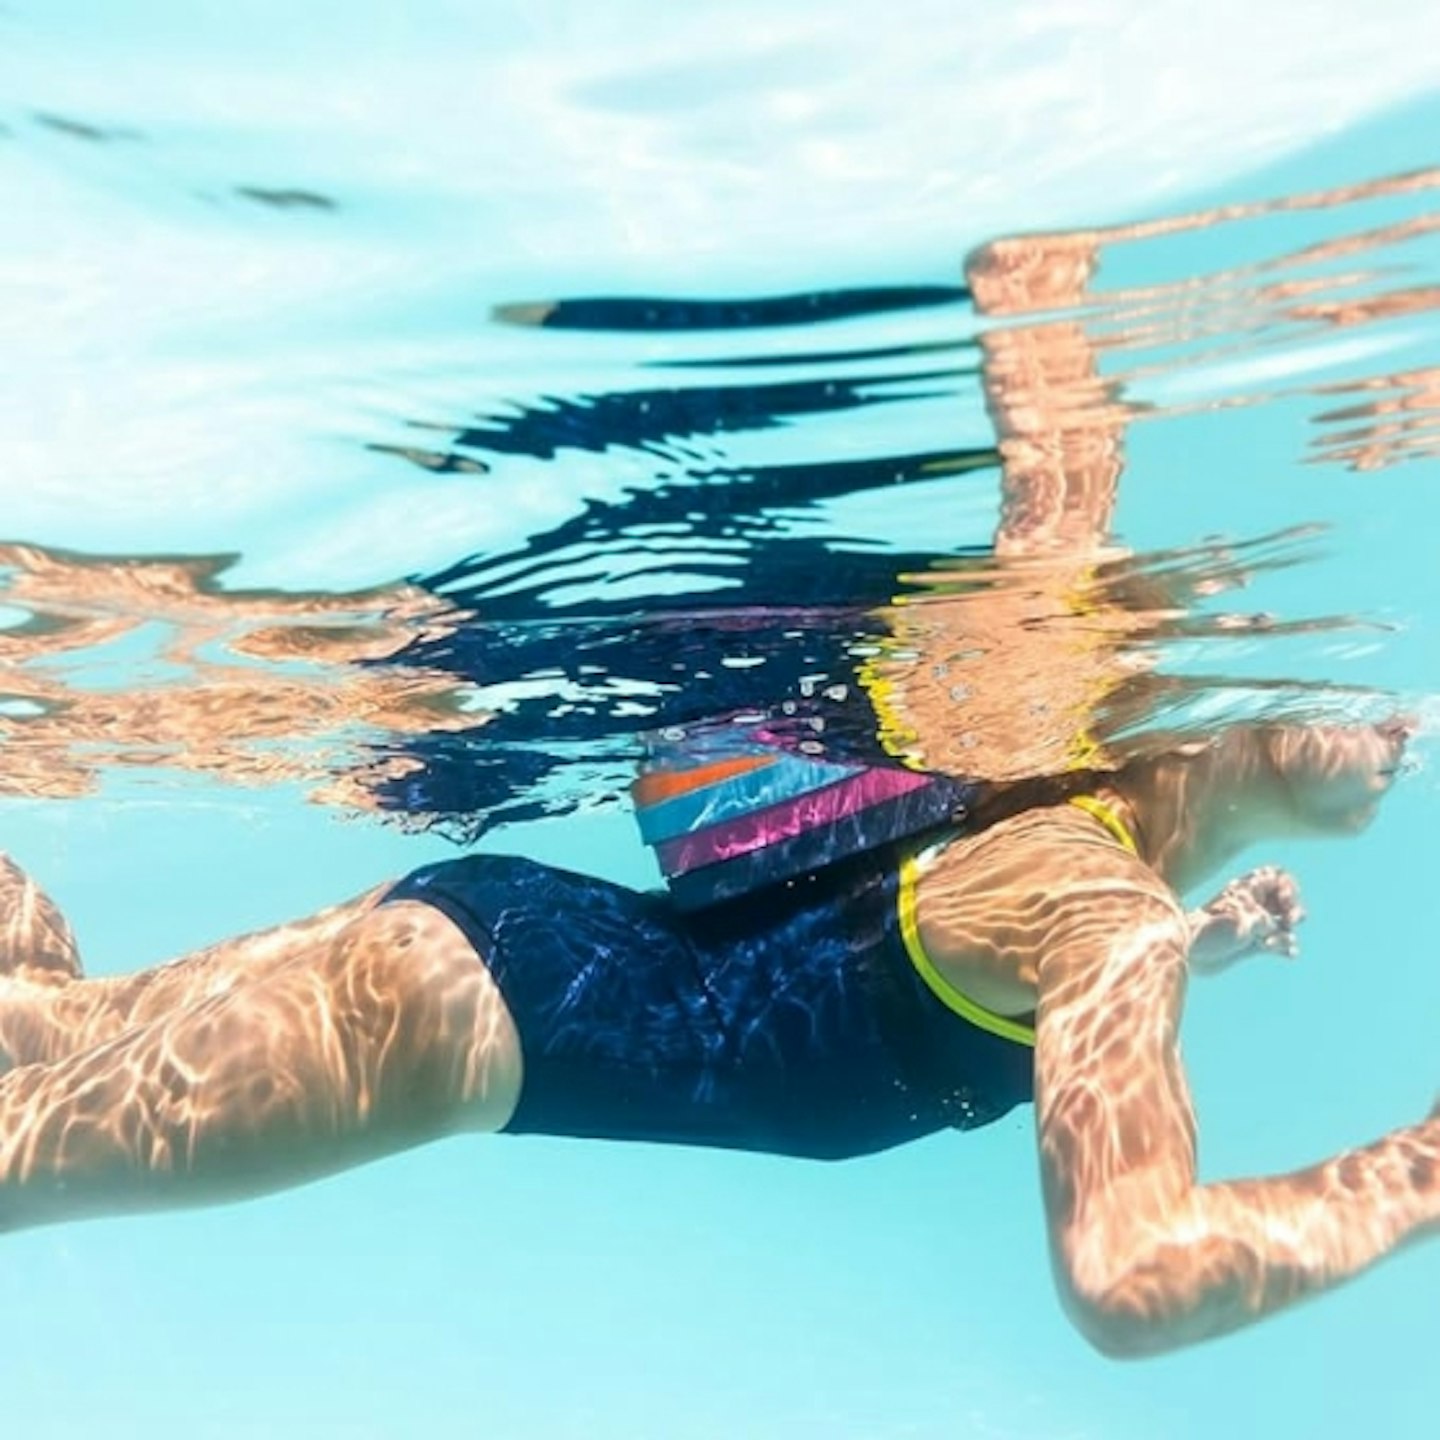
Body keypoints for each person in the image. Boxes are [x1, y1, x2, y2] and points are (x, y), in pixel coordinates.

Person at [0, 190, 1434, 1360]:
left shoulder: (1053, 811)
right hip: (442, 1024)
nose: (1399, 739)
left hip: (485, 956)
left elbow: (1059, 493)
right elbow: (1138, 1280)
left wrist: (1038, 255)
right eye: (1376, 722)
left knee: (45, 1019)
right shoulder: (1099, 913)